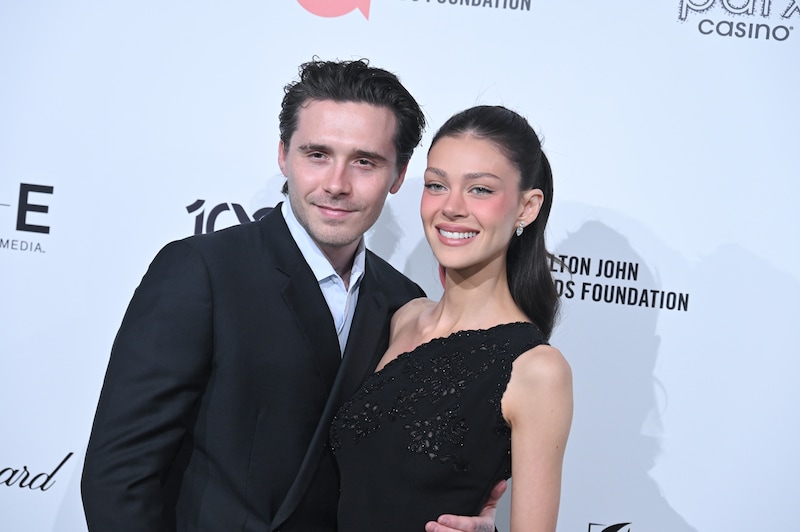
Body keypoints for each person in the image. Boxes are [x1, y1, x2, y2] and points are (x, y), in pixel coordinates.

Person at [81, 59, 501, 532]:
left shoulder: (403, 304)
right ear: (284, 155)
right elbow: (119, 476)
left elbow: (397, 472)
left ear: (399, 175)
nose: (337, 184)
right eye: (317, 154)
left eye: (364, 161)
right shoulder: (203, 272)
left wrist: (461, 515)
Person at [330, 105, 574, 532]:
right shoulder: (402, 316)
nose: (452, 207)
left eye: (480, 189)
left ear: (527, 207)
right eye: (437, 185)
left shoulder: (536, 369)